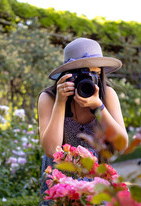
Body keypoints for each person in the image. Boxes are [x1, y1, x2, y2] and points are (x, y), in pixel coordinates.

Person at [38, 38, 128, 197]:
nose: (88, 79)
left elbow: (122, 145)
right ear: (67, 75)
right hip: (60, 185)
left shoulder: (108, 95)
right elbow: (52, 151)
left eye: (94, 73)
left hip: (97, 184)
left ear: (101, 74)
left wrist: (98, 107)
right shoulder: (49, 98)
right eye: (81, 74)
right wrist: (60, 102)